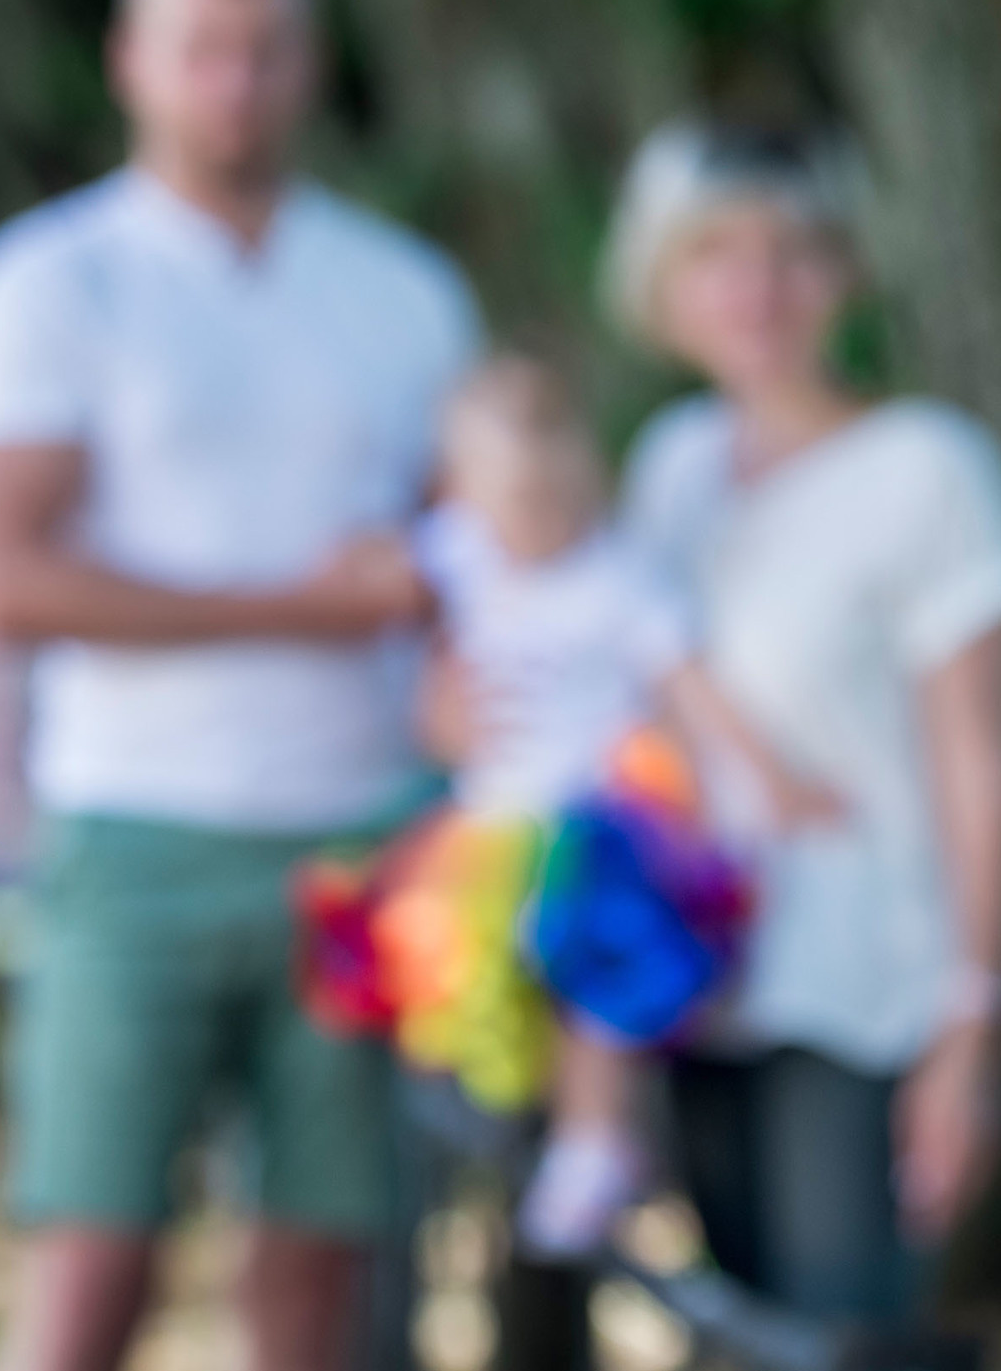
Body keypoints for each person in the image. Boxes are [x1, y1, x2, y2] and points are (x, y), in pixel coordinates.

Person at [0, 0, 478, 1371]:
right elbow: (9, 583)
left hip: (362, 850)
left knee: (314, 1302)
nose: (236, 82)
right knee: (91, 1280)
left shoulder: (403, 293)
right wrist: (310, 606)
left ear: (311, 65)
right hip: (135, 838)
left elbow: (459, 574)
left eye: (268, 49)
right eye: (202, 49)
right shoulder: (51, 281)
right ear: (132, 61)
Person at [606, 121, 1001, 1317]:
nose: (756, 287)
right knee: (748, 1351)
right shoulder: (672, 467)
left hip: (865, 995)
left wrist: (971, 1032)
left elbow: (980, 765)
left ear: (844, 269)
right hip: (704, 983)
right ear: (662, 283)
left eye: (792, 250)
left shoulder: (927, 470)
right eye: (714, 254)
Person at [325, 356, 841, 1256]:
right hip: (489, 826)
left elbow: (694, 687)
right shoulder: (462, 549)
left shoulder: (617, 579)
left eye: (558, 497)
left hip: (594, 823)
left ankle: (597, 1144)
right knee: (447, 967)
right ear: (471, 494)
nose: (539, 520)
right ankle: (493, 1144)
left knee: (600, 978)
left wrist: (773, 779)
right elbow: (382, 569)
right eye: (516, 501)